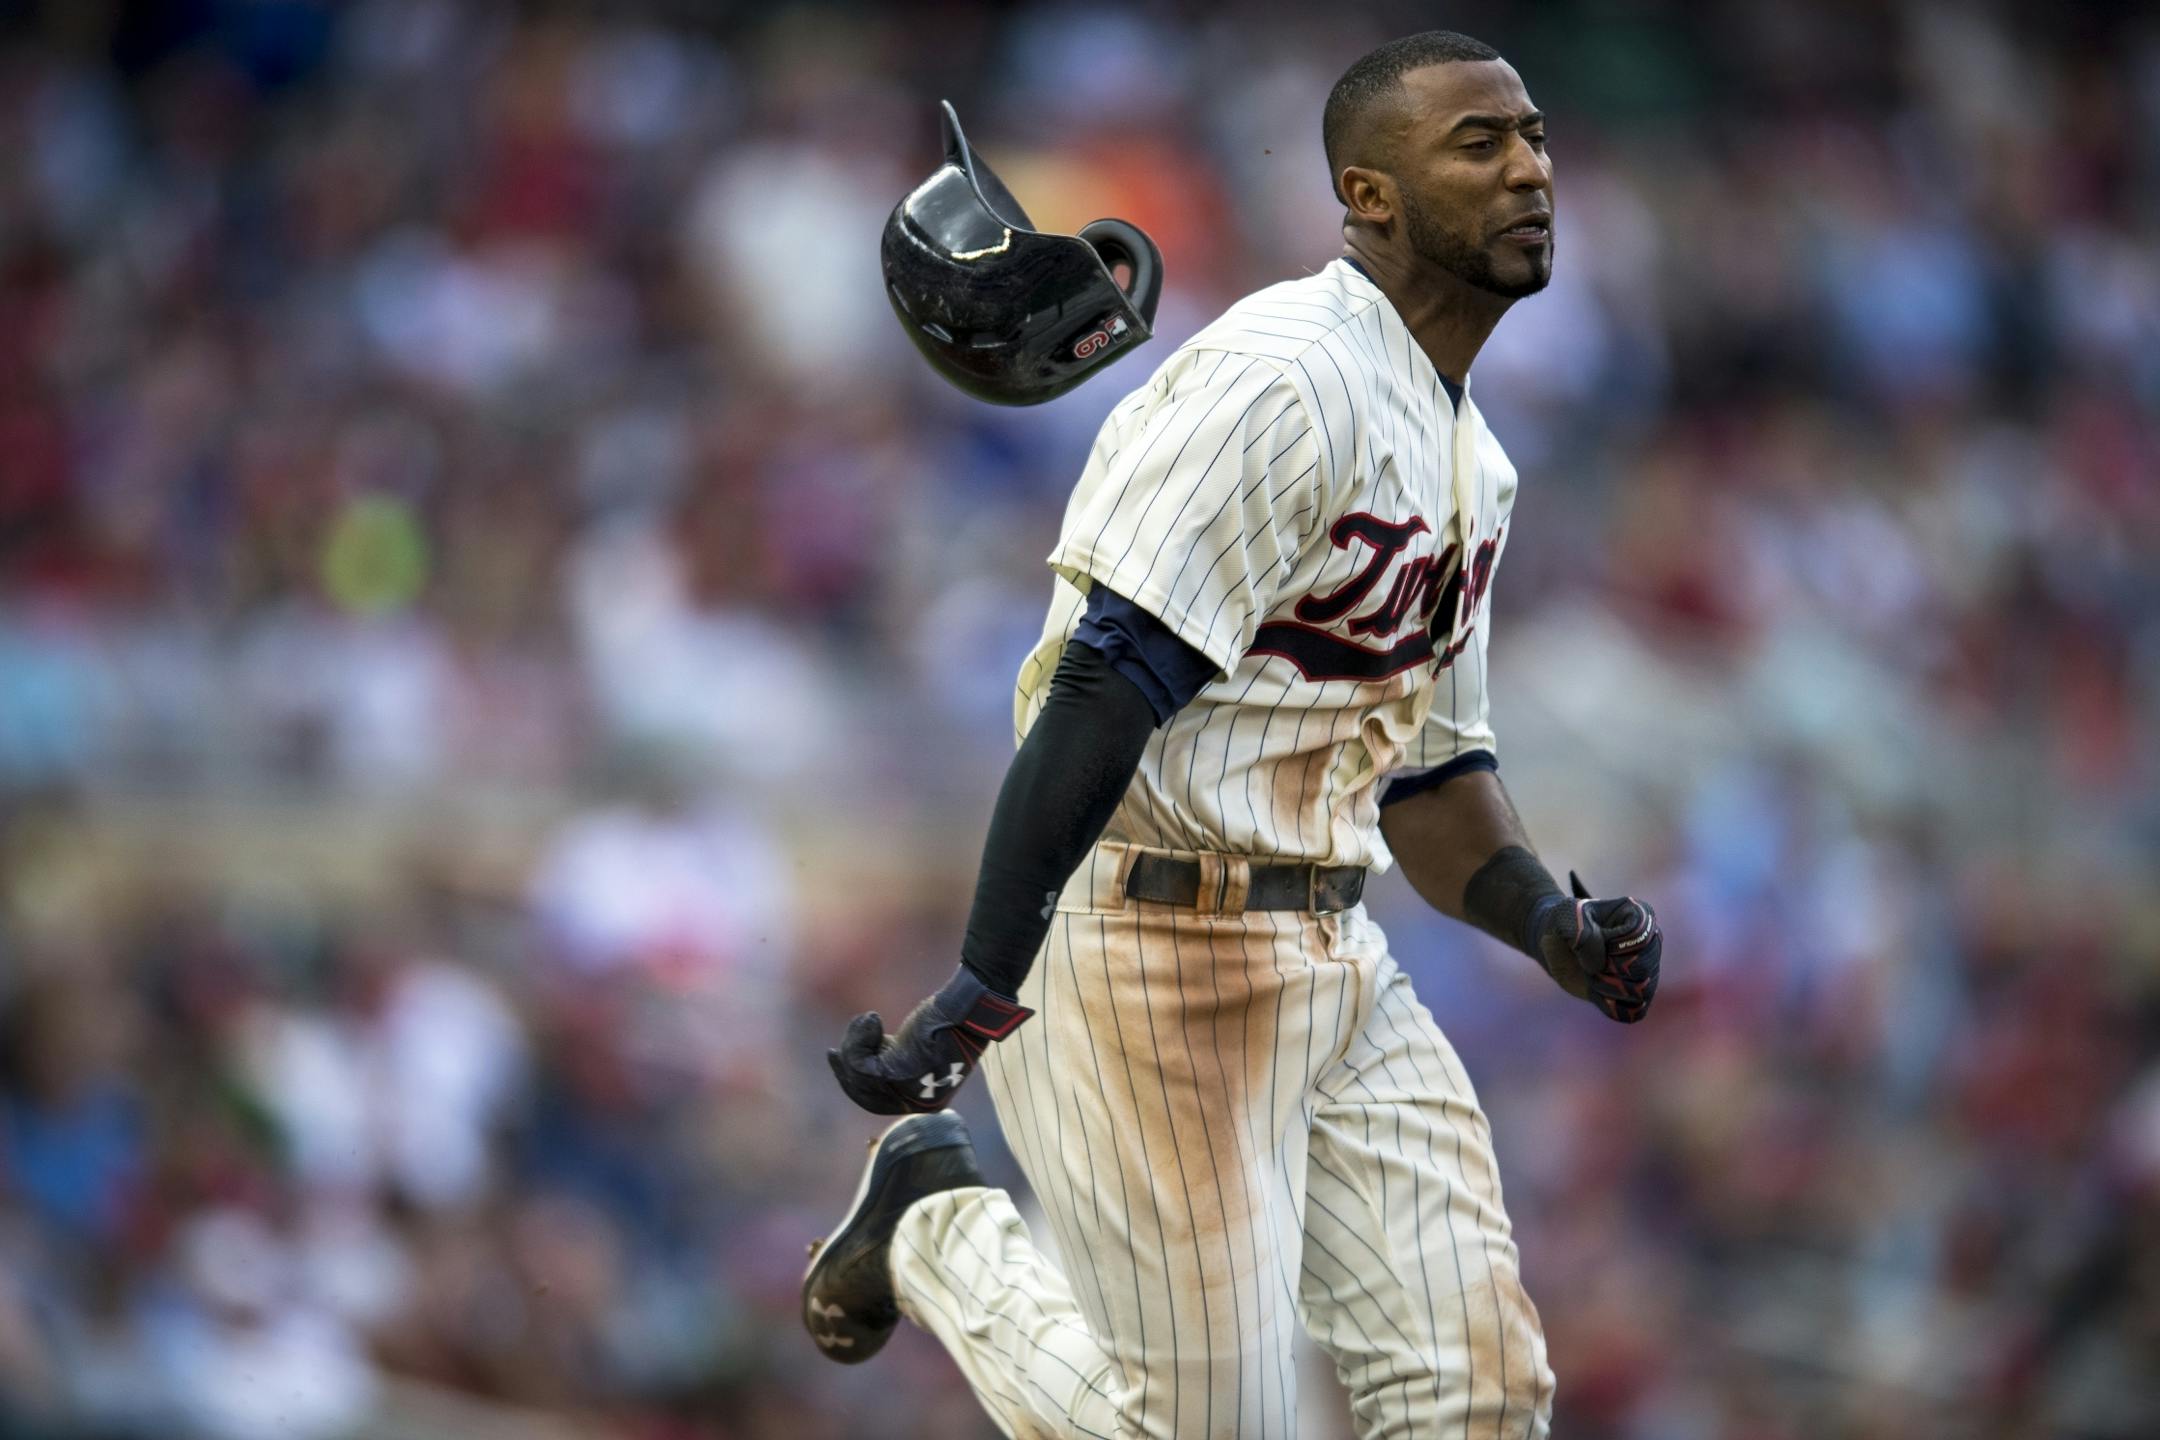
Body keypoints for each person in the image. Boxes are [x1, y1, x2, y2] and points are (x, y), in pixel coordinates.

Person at [805, 30, 1662, 1440]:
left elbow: (1436, 784)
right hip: (1147, 946)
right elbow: (1102, 684)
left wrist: (1552, 930)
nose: (1530, 169)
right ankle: (935, 1221)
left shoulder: (1473, 459)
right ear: (1368, 195)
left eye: (1537, 138)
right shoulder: (1287, 377)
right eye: (1479, 143)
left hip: (1333, 954)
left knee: (1485, 1403)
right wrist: (979, 984)